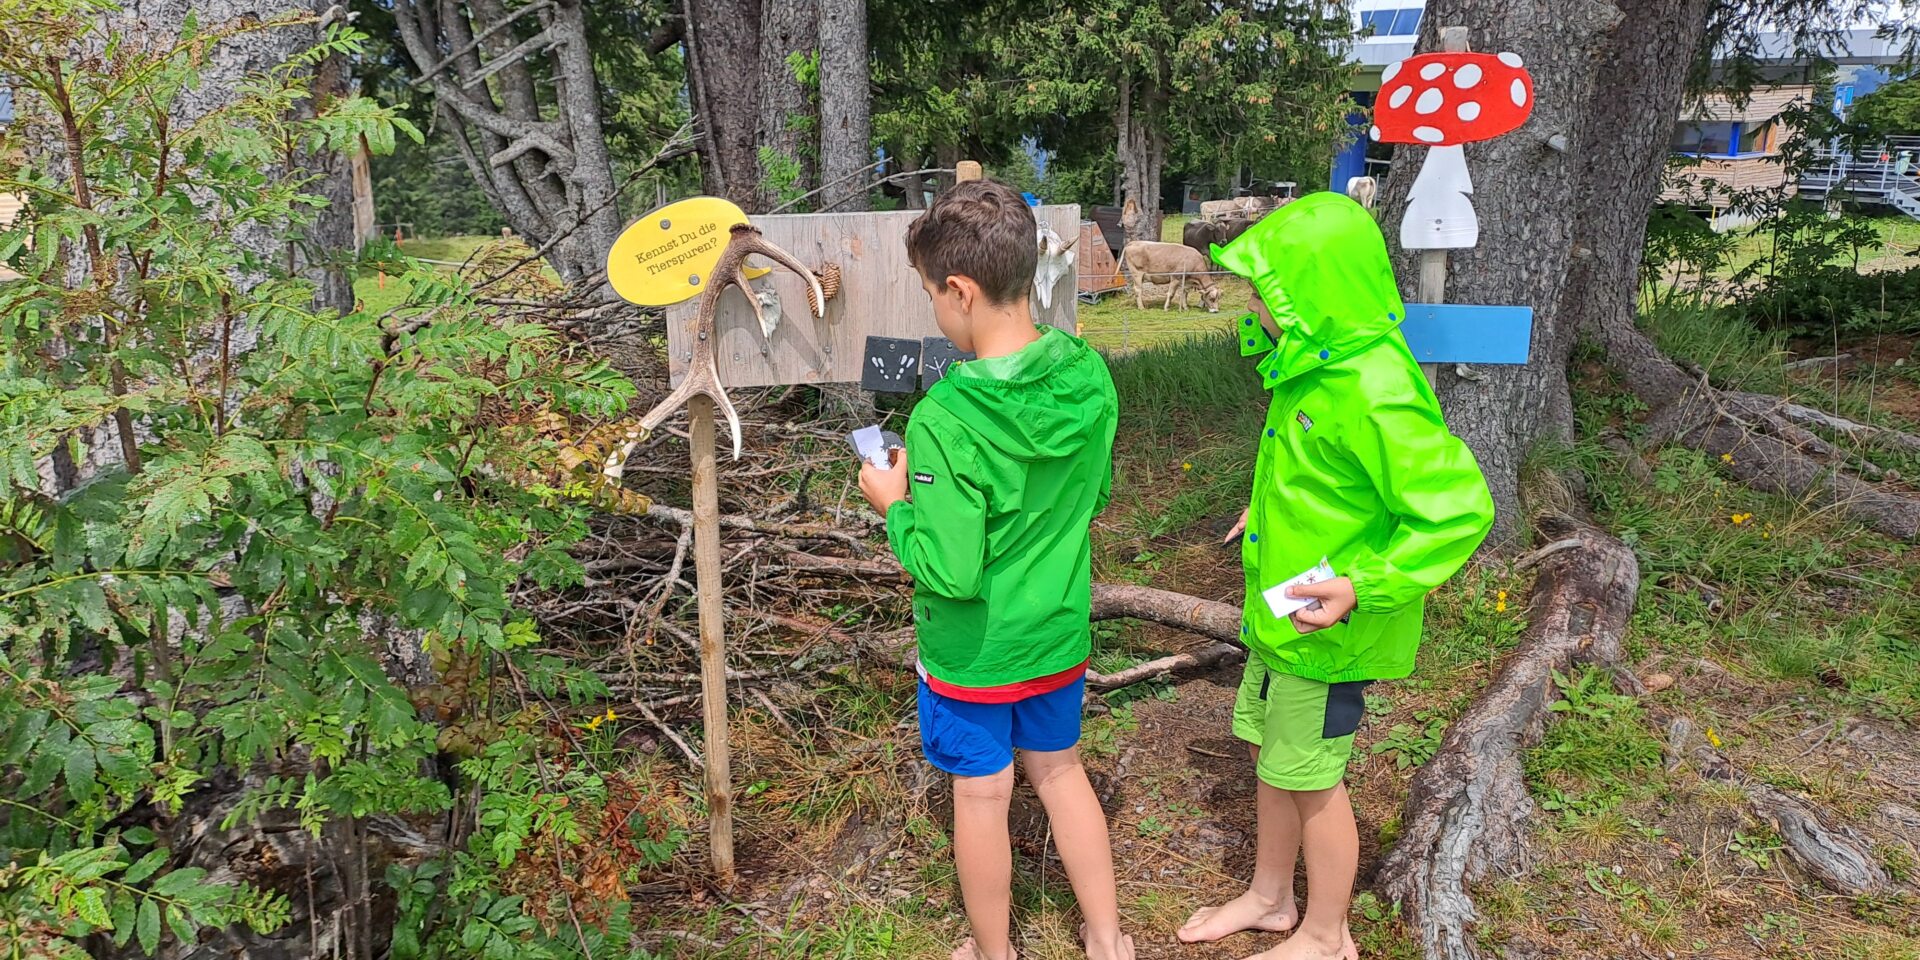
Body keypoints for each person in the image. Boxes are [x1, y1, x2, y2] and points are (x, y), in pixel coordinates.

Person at [1177, 193, 1494, 960]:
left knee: (1314, 780)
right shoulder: (1308, 366)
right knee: (1269, 755)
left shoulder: (1373, 389)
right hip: (1283, 615)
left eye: (1267, 291)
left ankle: (1327, 934)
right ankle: (1270, 897)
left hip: (1331, 627)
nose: (1254, 306)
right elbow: (1311, 473)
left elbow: (1457, 511)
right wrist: (1261, 512)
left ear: (1316, 293)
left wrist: (1365, 587)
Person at [857, 179, 1131, 960]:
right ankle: (1108, 938)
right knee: (1061, 771)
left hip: (974, 653)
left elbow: (949, 571)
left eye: (929, 296)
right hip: (1056, 632)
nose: (933, 312)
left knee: (982, 795)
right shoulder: (1087, 374)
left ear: (961, 290)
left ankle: (993, 950)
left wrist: (894, 504)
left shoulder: (944, 418)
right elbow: (1093, 494)